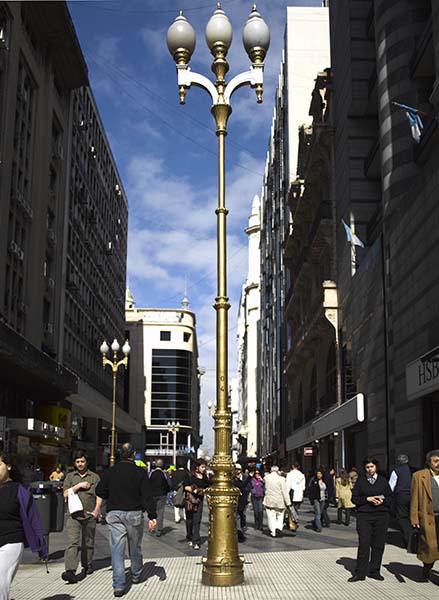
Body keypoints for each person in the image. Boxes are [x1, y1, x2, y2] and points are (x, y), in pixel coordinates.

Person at [96, 443, 157, 597]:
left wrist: (100, 506)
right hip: (134, 514)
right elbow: (147, 495)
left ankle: (118, 585)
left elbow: (100, 491)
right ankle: (136, 575)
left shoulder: (110, 472)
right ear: (133, 454)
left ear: (119, 454)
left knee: (116, 550)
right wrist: (152, 515)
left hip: (115, 513)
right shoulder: (140, 472)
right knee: (134, 546)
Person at [0, 451, 47, 600]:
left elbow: (33, 518)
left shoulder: (18, 490)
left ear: (8, 467)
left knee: (0, 584)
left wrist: (41, 545)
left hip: (10, 542)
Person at [349, 456, 392, 582]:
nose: (370, 469)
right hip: (365, 516)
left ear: (376, 467)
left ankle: (375, 571)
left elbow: (390, 498)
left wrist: (382, 500)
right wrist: (367, 499)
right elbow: (354, 499)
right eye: (367, 467)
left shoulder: (383, 481)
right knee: (364, 543)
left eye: (372, 466)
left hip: (381, 516)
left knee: (378, 544)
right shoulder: (361, 482)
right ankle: (360, 573)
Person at [61, 451, 101, 584]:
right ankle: (70, 571)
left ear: (87, 462)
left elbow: (99, 496)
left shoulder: (94, 477)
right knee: (73, 543)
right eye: (77, 462)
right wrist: (78, 486)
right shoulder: (70, 477)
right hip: (73, 515)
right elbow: (65, 494)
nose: (80, 464)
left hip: (89, 515)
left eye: (82, 461)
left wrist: (97, 510)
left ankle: (87, 564)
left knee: (88, 543)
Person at [410, 448, 439, 582]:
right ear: (429, 462)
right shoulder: (419, 476)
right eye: (435, 461)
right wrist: (414, 518)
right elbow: (414, 498)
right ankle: (427, 568)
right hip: (429, 518)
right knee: (430, 547)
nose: (438, 463)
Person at [389, 453, 415, 547]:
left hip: (401, 496)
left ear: (398, 462)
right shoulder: (414, 470)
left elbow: (391, 487)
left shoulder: (396, 471)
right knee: (413, 516)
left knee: (402, 517)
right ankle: (415, 538)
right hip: (414, 495)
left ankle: (408, 538)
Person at [184, 460, 211, 550]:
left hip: (199, 500)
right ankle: (189, 536)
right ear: (197, 467)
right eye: (202, 467)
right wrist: (194, 490)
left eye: (204, 467)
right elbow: (185, 486)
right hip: (190, 501)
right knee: (189, 520)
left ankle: (196, 541)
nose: (204, 469)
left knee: (197, 520)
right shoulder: (190, 476)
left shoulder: (204, 477)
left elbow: (209, 485)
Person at [263, 465, 291, 537]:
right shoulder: (281, 479)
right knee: (280, 516)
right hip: (279, 501)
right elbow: (284, 492)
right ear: (278, 471)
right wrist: (288, 503)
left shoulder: (266, 478)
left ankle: (273, 532)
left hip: (269, 501)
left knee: (271, 517)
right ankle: (278, 528)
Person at [149, 459, 171, 537]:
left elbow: (147, 483)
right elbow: (169, 484)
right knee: (160, 512)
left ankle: (152, 527)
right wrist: (167, 491)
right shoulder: (164, 474)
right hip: (162, 495)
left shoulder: (151, 473)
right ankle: (159, 529)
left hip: (152, 495)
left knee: (152, 511)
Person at [233, 464, 250, 542]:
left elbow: (247, 486)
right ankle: (239, 531)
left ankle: (242, 526)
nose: (237, 471)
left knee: (242, 514)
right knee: (237, 515)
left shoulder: (245, 477)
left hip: (244, 499)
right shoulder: (233, 479)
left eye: (238, 469)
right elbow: (241, 485)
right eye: (235, 470)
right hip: (236, 499)